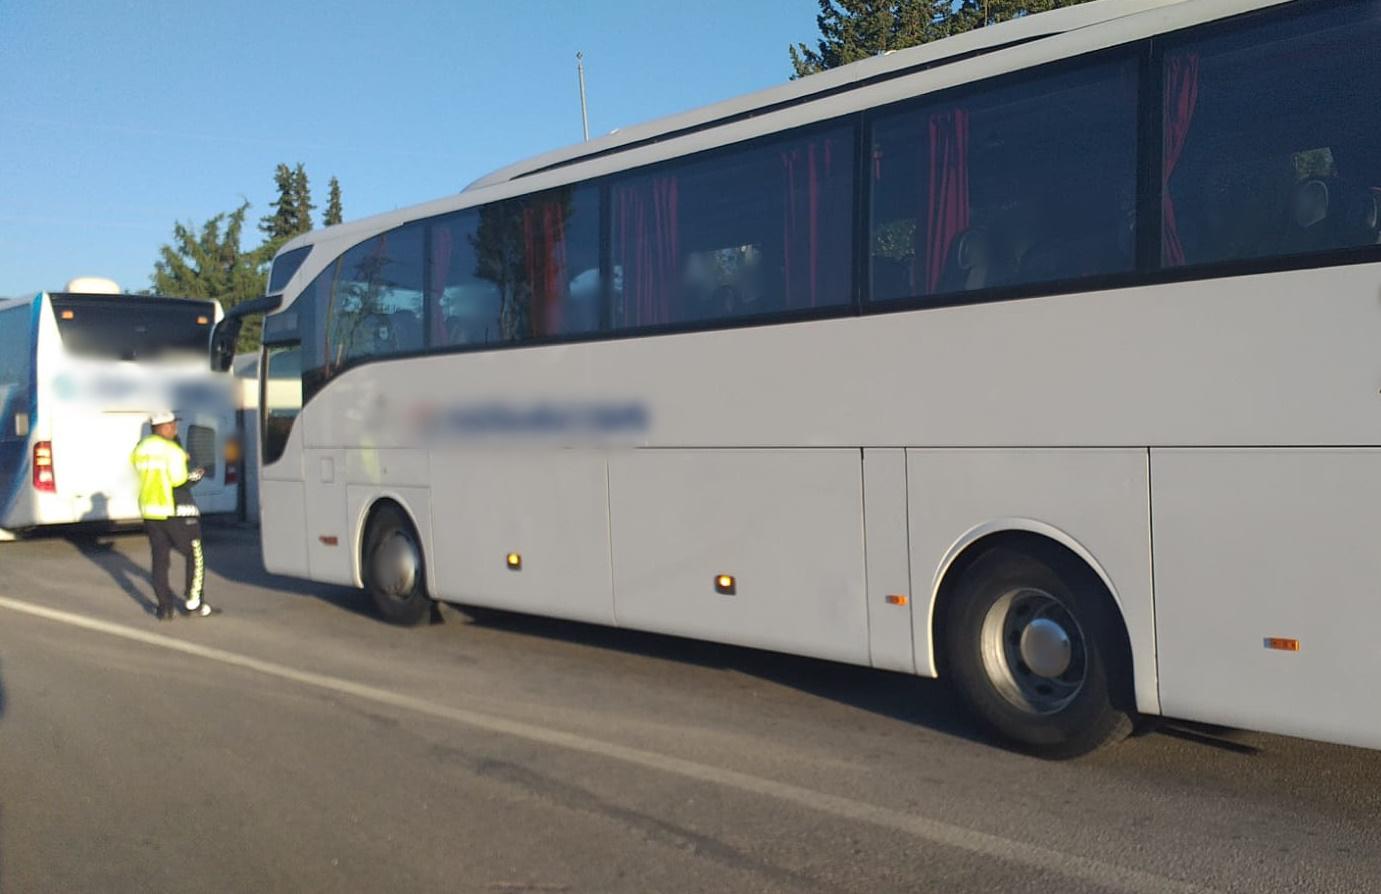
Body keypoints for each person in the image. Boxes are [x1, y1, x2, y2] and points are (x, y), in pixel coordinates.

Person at [131, 411, 220, 621]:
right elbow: (179, 480)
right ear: (161, 427)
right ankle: (194, 601)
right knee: (195, 554)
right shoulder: (172, 451)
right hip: (173, 511)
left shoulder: (139, 450)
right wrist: (198, 473)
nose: (175, 428)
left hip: (151, 511)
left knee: (160, 560)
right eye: (171, 425)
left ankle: (164, 607)